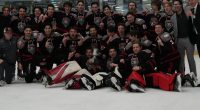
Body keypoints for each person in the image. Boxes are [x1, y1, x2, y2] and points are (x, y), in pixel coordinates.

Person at [171, 0, 198, 86]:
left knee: (191, 59)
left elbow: (192, 7)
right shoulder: (172, 17)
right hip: (178, 40)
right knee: (181, 60)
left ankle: (194, 77)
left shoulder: (187, 11)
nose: (176, 6)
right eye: (175, 4)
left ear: (181, 5)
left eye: (178, 4)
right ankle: (182, 78)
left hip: (188, 39)